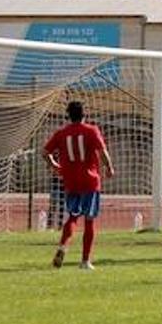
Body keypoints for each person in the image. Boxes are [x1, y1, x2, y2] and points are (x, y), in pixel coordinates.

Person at [44, 101, 115, 270]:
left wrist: (54, 164)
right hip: (90, 182)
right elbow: (102, 151)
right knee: (89, 221)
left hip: (71, 181)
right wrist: (109, 167)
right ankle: (85, 261)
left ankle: (63, 246)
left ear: (68, 115)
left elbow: (44, 152)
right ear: (85, 114)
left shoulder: (61, 133)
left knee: (73, 217)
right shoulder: (91, 131)